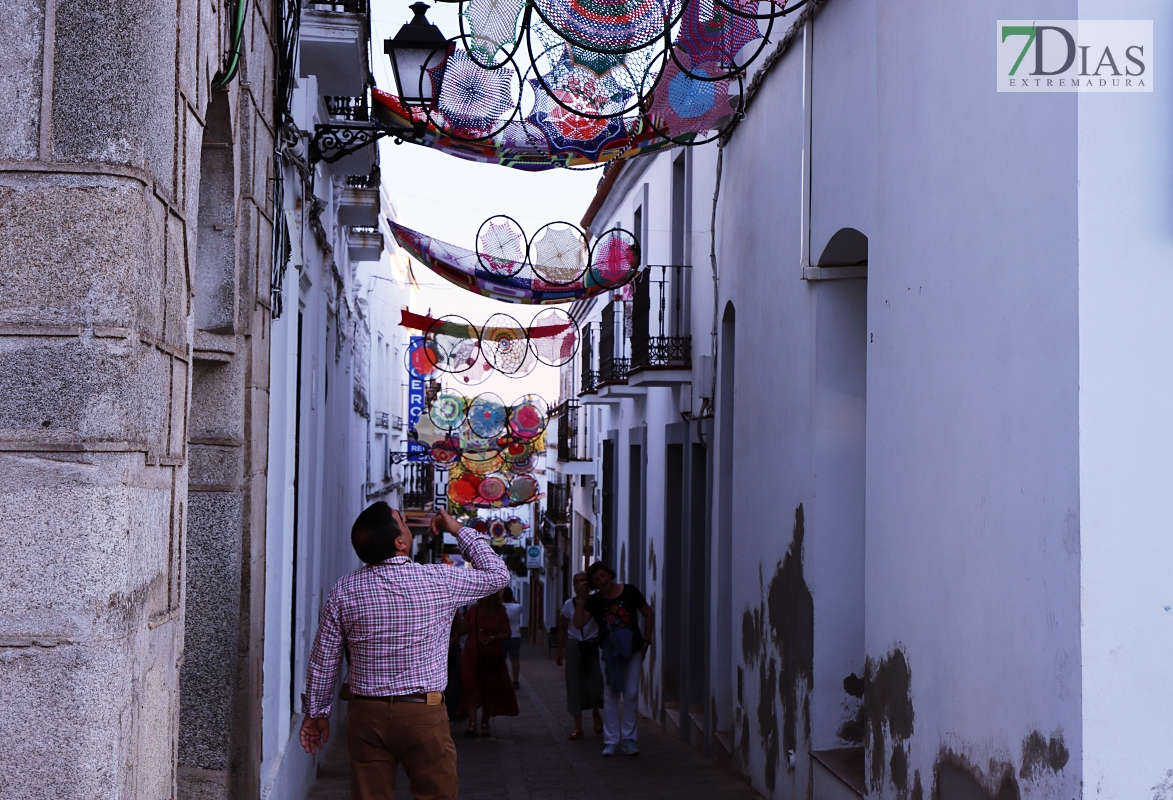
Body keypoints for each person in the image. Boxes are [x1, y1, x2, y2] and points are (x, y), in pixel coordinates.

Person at [299, 503, 508, 800]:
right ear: (399, 543)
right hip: (423, 713)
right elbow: (498, 575)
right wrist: (457, 529)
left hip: (366, 715)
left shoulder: (344, 589)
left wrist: (316, 713)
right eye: (402, 521)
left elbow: (324, 659)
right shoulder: (439, 580)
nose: (407, 522)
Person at [574, 561, 655, 757]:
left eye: (603, 575)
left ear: (609, 574)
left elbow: (648, 613)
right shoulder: (594, 601)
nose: (602, 581)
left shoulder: (629, 592)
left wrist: (646, 642)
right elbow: (578, 623)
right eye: (596, 580)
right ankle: (611, 740)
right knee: (610, 694)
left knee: (632, 693)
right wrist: (582, 599)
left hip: (633, 650)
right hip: (609, 653)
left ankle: (629, 739)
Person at [458, 590, 519, 737]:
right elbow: (464, 629)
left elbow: (507, 633)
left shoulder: (499, 611)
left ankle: (485, 722)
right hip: (471, 653)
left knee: (488, 688)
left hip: (490, 654)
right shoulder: (473, 609)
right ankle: (472, 724)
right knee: (470, 686)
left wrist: (492, 638)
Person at [556, 572, 604, 739]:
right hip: (574, 645)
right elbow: (563, 627)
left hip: (592, 643)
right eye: (577, 581)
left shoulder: (596, 602)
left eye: (583, 580)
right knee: (574, 685)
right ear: (574, 586)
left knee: (596, 684)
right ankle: (578, 727)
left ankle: (596, 712)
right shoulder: (568, 605)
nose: (580, 583)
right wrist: (560, 650)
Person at [502, 586, 523, 688]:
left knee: (502, 660)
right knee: (515, 659)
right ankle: (515, 680)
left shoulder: (499, 608)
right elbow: (519, 606)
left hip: (502, 636)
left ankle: (503, 680)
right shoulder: (517, 607)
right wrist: (513, 600)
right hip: (515, 636)